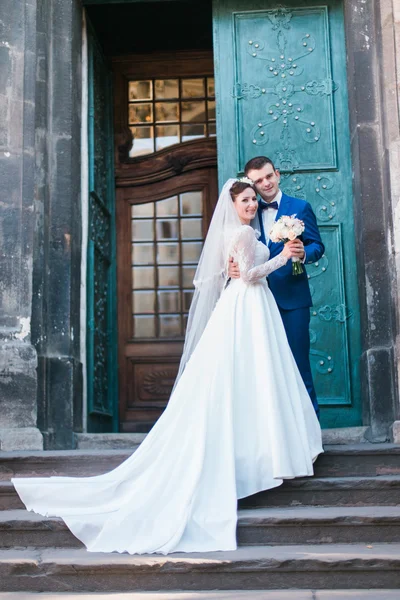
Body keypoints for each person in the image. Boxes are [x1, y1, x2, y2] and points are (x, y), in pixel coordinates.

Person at [12, 179, 323, 556]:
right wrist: (284, 257)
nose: (252, 205)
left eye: (254, 200)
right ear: (232, 203)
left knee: (255, 379)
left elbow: (244, 272)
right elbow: (250, 274)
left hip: (254, 307)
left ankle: (260, 452)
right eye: (245, 200)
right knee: (246, 379)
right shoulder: (240, 232)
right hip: (246, 304)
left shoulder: (244, 230)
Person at [229, 157, 324, 417]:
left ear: (277, 174)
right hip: (256, 302)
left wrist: (304, 252)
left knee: (298, 365)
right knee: (262, 369)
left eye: (269, 176)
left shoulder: (300, 207)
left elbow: (318, 246)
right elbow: (232, 248)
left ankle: (309, 436)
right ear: (252, 183)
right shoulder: (248, 210)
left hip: (292, 301)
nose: (265, 183)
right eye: (258, 180)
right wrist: (229, 267)